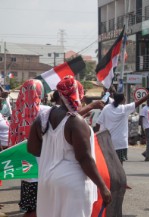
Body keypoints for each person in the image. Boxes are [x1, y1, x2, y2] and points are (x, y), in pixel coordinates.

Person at [27, 76, 111, 217]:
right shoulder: (76, 122)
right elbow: (84, 158)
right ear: (79, 94)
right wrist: (103, 187)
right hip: (73, 182)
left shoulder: (42, 118)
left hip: (48, 180)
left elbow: (33, 149)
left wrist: (52, 149)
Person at [7, 79, 50, 217]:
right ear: (39, 92)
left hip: (26, 168)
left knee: (31, 209)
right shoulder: (45, 112)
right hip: (42, 169)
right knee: (41, 209)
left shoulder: (17, 112)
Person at [96, 85, 149, 164]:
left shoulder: (106, 108)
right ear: (123, 100)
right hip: (121, 143)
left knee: (109, 165)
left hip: (109, 142)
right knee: (120, 165)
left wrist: (97, 137)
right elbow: (142, 100)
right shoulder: (125, 109)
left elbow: (97, 124)